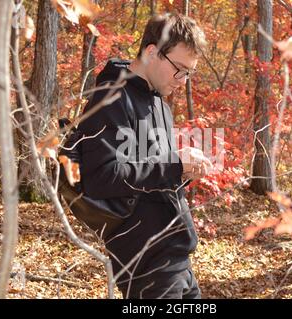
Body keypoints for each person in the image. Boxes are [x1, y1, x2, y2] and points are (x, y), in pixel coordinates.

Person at [78, 13, 211, 299]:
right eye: (179, 69)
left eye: (189, 73)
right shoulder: (111, 96)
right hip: (146, 264)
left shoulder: (158, 102)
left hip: (177, 257)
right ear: (152, 52)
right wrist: (174, 166)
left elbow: (152, 175)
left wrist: (183, 172)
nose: (183, 80)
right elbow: (102, 177)